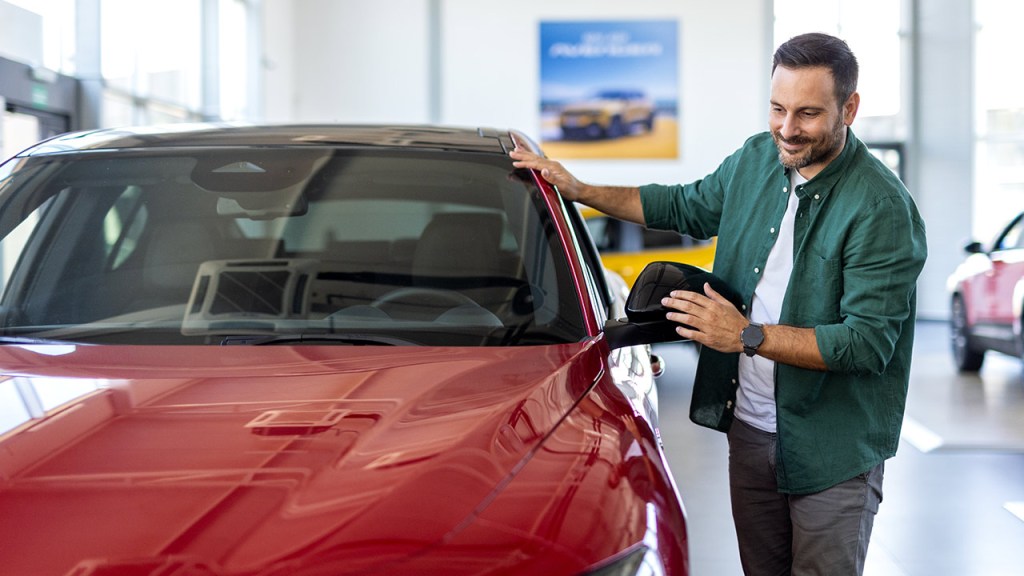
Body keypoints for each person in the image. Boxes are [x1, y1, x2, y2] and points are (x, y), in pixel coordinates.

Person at [511, 32, 927, 576]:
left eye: (807, 114)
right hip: (750, 429)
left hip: (833, 448)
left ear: (849, 108)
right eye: (777, 108)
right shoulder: (758, 158)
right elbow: (681, 205)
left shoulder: (881, 208)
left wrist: (747, 336)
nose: (786, 128)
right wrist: (580, 189)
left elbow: (867, 343)